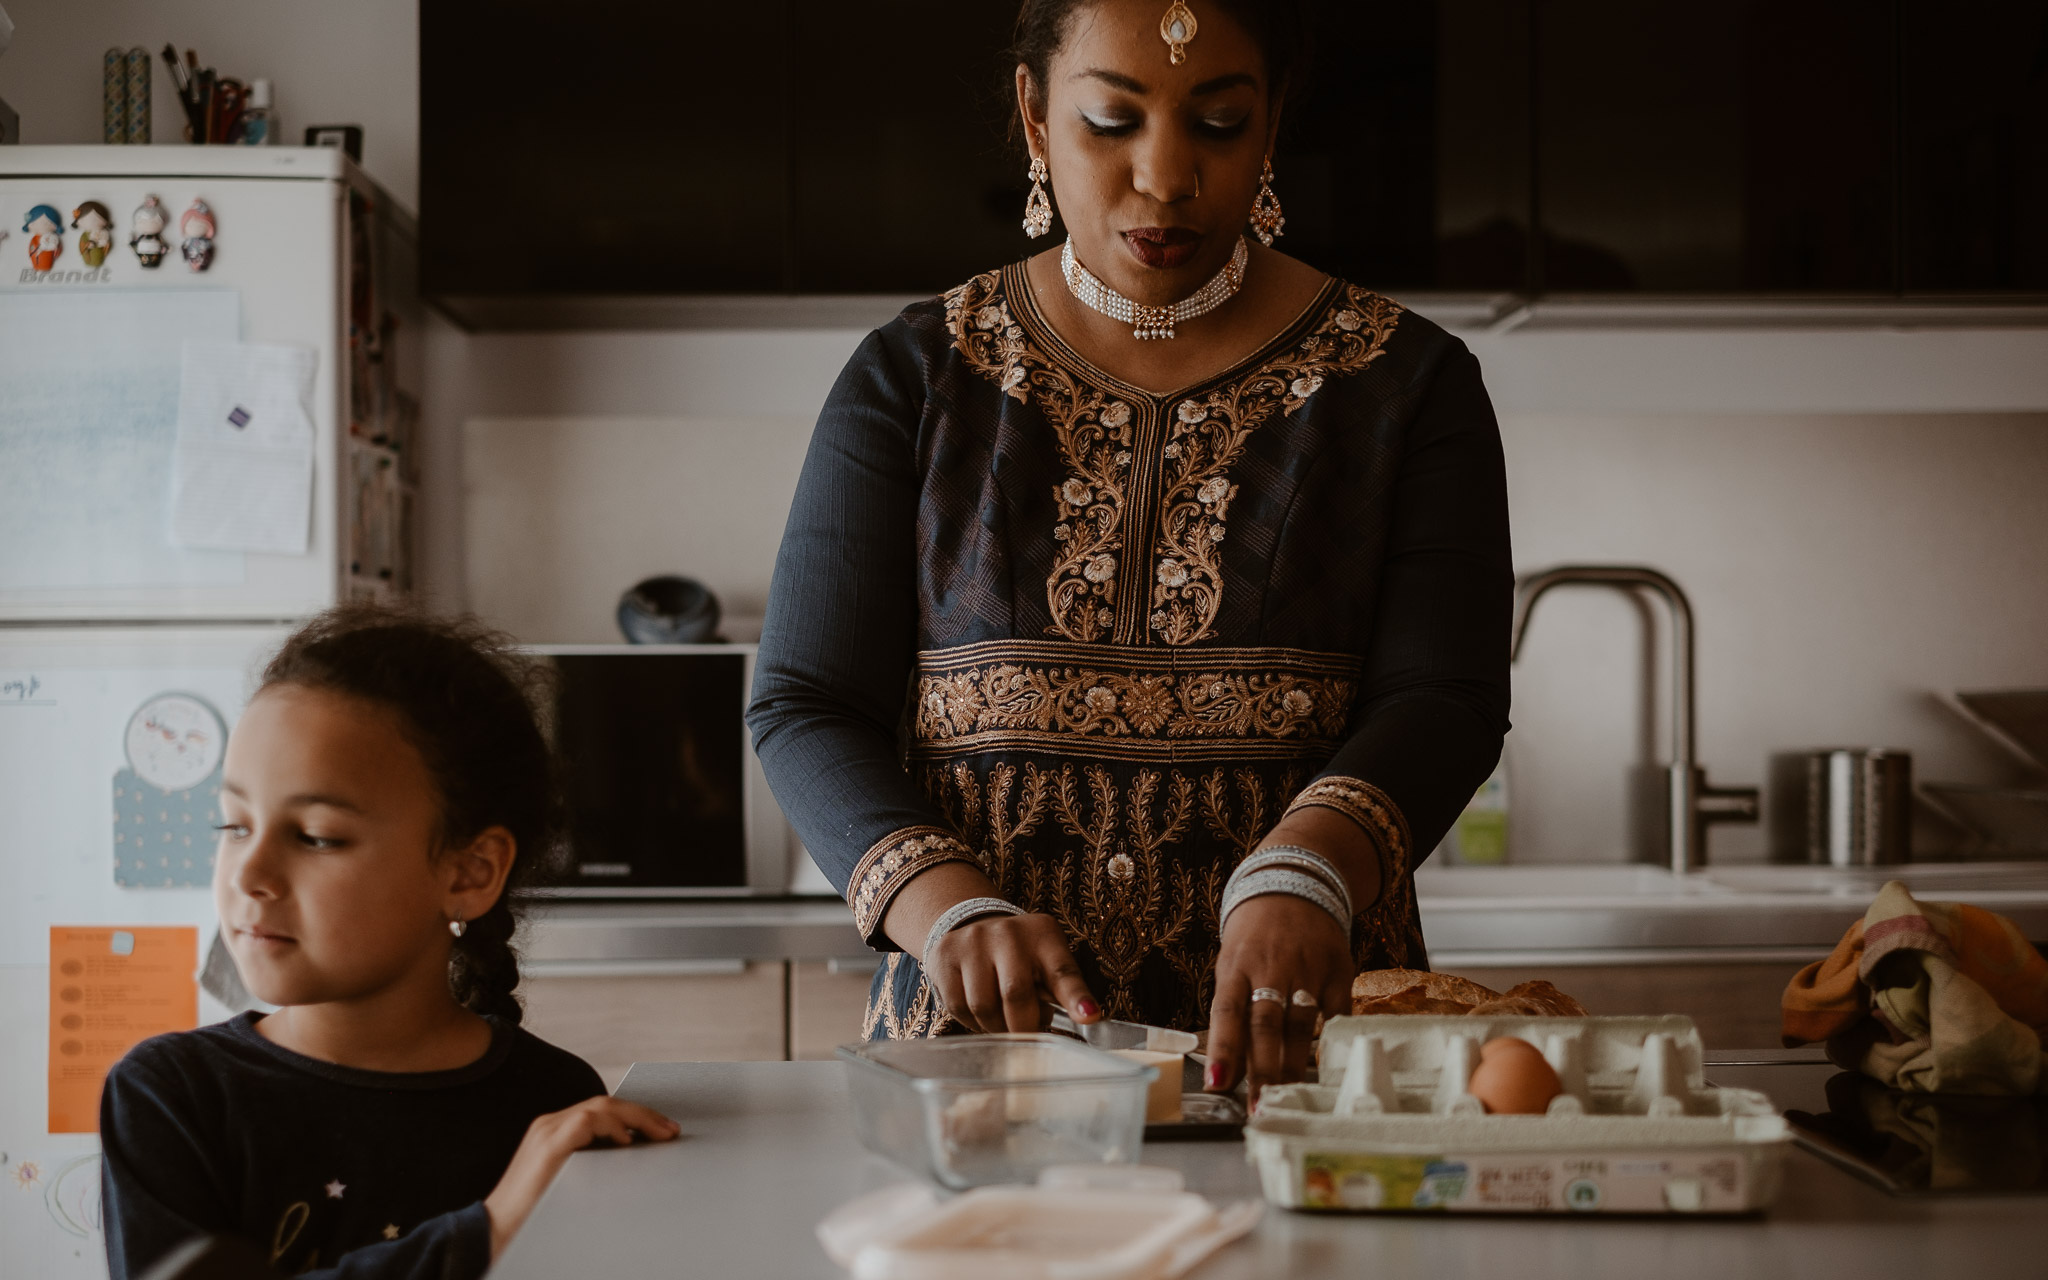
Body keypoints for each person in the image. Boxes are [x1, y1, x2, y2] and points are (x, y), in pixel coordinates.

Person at [747, 0, 1510, 1099]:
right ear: (1032, 116)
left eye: (1218, 123)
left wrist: (1306, 868)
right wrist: (945, 903)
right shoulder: (914, 375)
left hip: (1297, 1062)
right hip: (983, 1065)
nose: (1163, 176)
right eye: (1110, 120)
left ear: (1272, 124)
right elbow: (805, 701)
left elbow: (1442, 696)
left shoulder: (1405, 384)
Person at [100, 607, 679, 1280]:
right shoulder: (171, 1097)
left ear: (469, 873)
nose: (250, 875)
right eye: (232, 826)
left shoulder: (555, 1100)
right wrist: (486, 1232)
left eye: (315, 836)